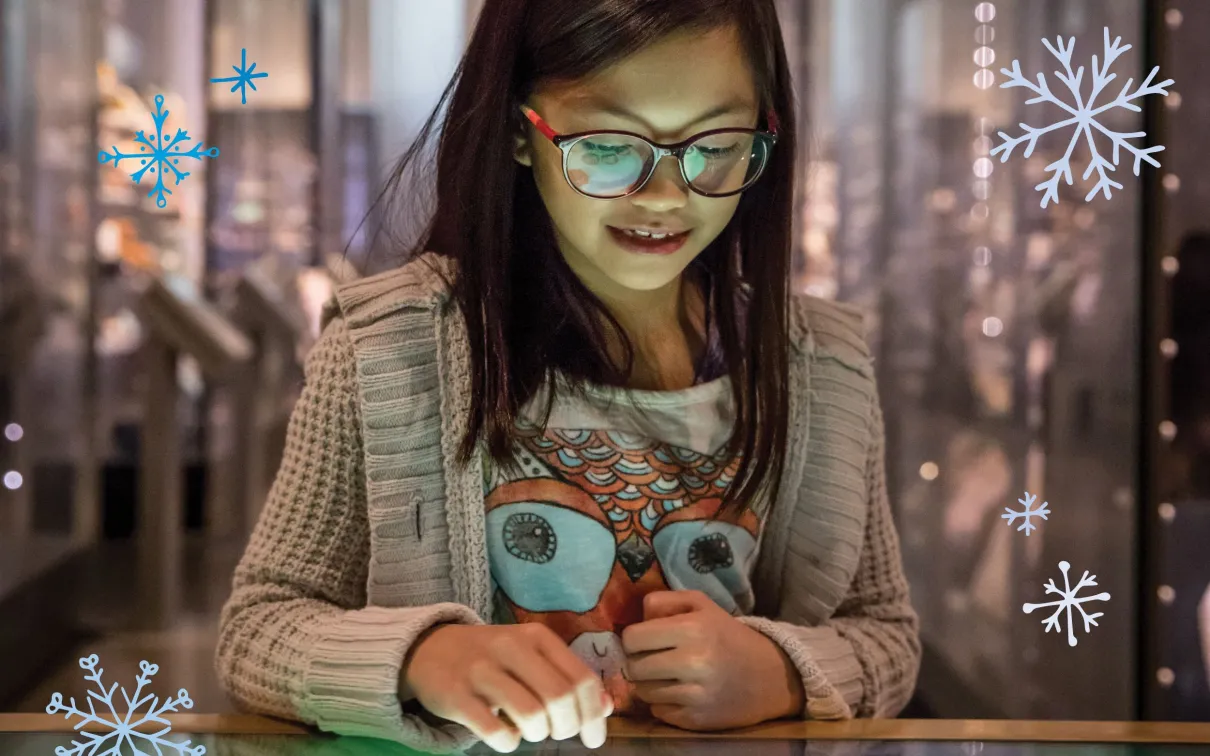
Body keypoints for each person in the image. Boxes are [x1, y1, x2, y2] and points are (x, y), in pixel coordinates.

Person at [214, 0, 920, 753]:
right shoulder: (390, 348)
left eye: (715, 145)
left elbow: (886, 634)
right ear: (521, 131)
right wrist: (424, 657)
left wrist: (781, 671)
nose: (664, 195)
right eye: (611, 146)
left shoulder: (821, 369)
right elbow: (260, 626)